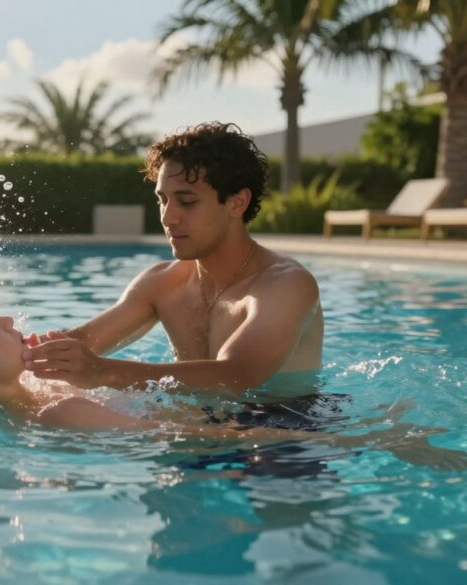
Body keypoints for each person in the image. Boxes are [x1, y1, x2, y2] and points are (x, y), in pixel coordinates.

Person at [0, 300, 467, 471]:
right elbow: (206, 443)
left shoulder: (40, 403)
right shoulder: (63, 413)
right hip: (251, 452)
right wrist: (376, 440)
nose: (9, 320)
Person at [22, 122, 322, 402]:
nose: (168, 217)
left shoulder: (285, 284)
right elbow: (85, 341)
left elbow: (236, 376)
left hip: (286, 434)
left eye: (186, 201)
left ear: (236, 203)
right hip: (201, 430)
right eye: (162, 199)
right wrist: (8, 352)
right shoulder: (162, 283)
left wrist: (102, 372)